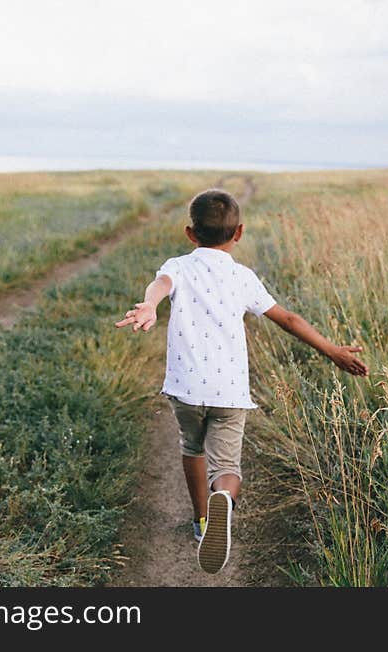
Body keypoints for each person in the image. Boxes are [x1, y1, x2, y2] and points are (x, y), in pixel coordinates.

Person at [115, 188, 368, 574]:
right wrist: (331, 350)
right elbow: (288, 319)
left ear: (189, 233)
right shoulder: (243, 277)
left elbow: (161, 285)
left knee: (192, 447)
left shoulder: (179, 265)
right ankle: (224, 501)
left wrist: (150, 304)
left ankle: (202, 522)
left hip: (185, 388)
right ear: (239, 233)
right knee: (227, 465)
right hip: (229, 393)